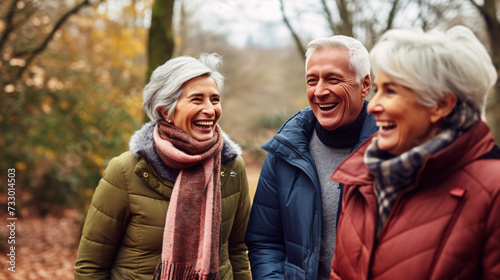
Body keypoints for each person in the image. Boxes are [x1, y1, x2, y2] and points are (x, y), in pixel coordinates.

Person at [330, 25, 500, 280]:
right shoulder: (360, 177)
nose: (372, 106)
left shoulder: (493, 191)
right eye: (377, 90)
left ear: (440, 105)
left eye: (391, 91)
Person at [74, 53, 252, 280]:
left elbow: (238, 250)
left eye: (214, 99)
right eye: (197, 99)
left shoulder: (231, 167)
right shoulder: (126, 171)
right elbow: (91, 267)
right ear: (165, 111)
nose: (210, 109)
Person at [245, 35, 377, 279]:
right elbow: (265, 242)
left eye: (333, 79)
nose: (319, 91)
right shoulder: (285, 151)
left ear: (365, 85)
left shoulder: (393, 150)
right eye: (311, 80)